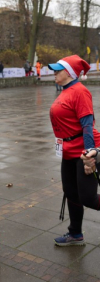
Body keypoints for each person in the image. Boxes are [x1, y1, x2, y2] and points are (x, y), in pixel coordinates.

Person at [48, 54, 100, 246]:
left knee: (88, 198)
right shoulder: (65, 90)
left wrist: (89, 156)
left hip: (82, 151)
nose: (53, 73)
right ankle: (76, 234)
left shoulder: (80, 91)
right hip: (68, 151)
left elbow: (87, 125)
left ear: (69, 73)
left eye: (57, 70)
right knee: (71, 192)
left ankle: (76, 233)